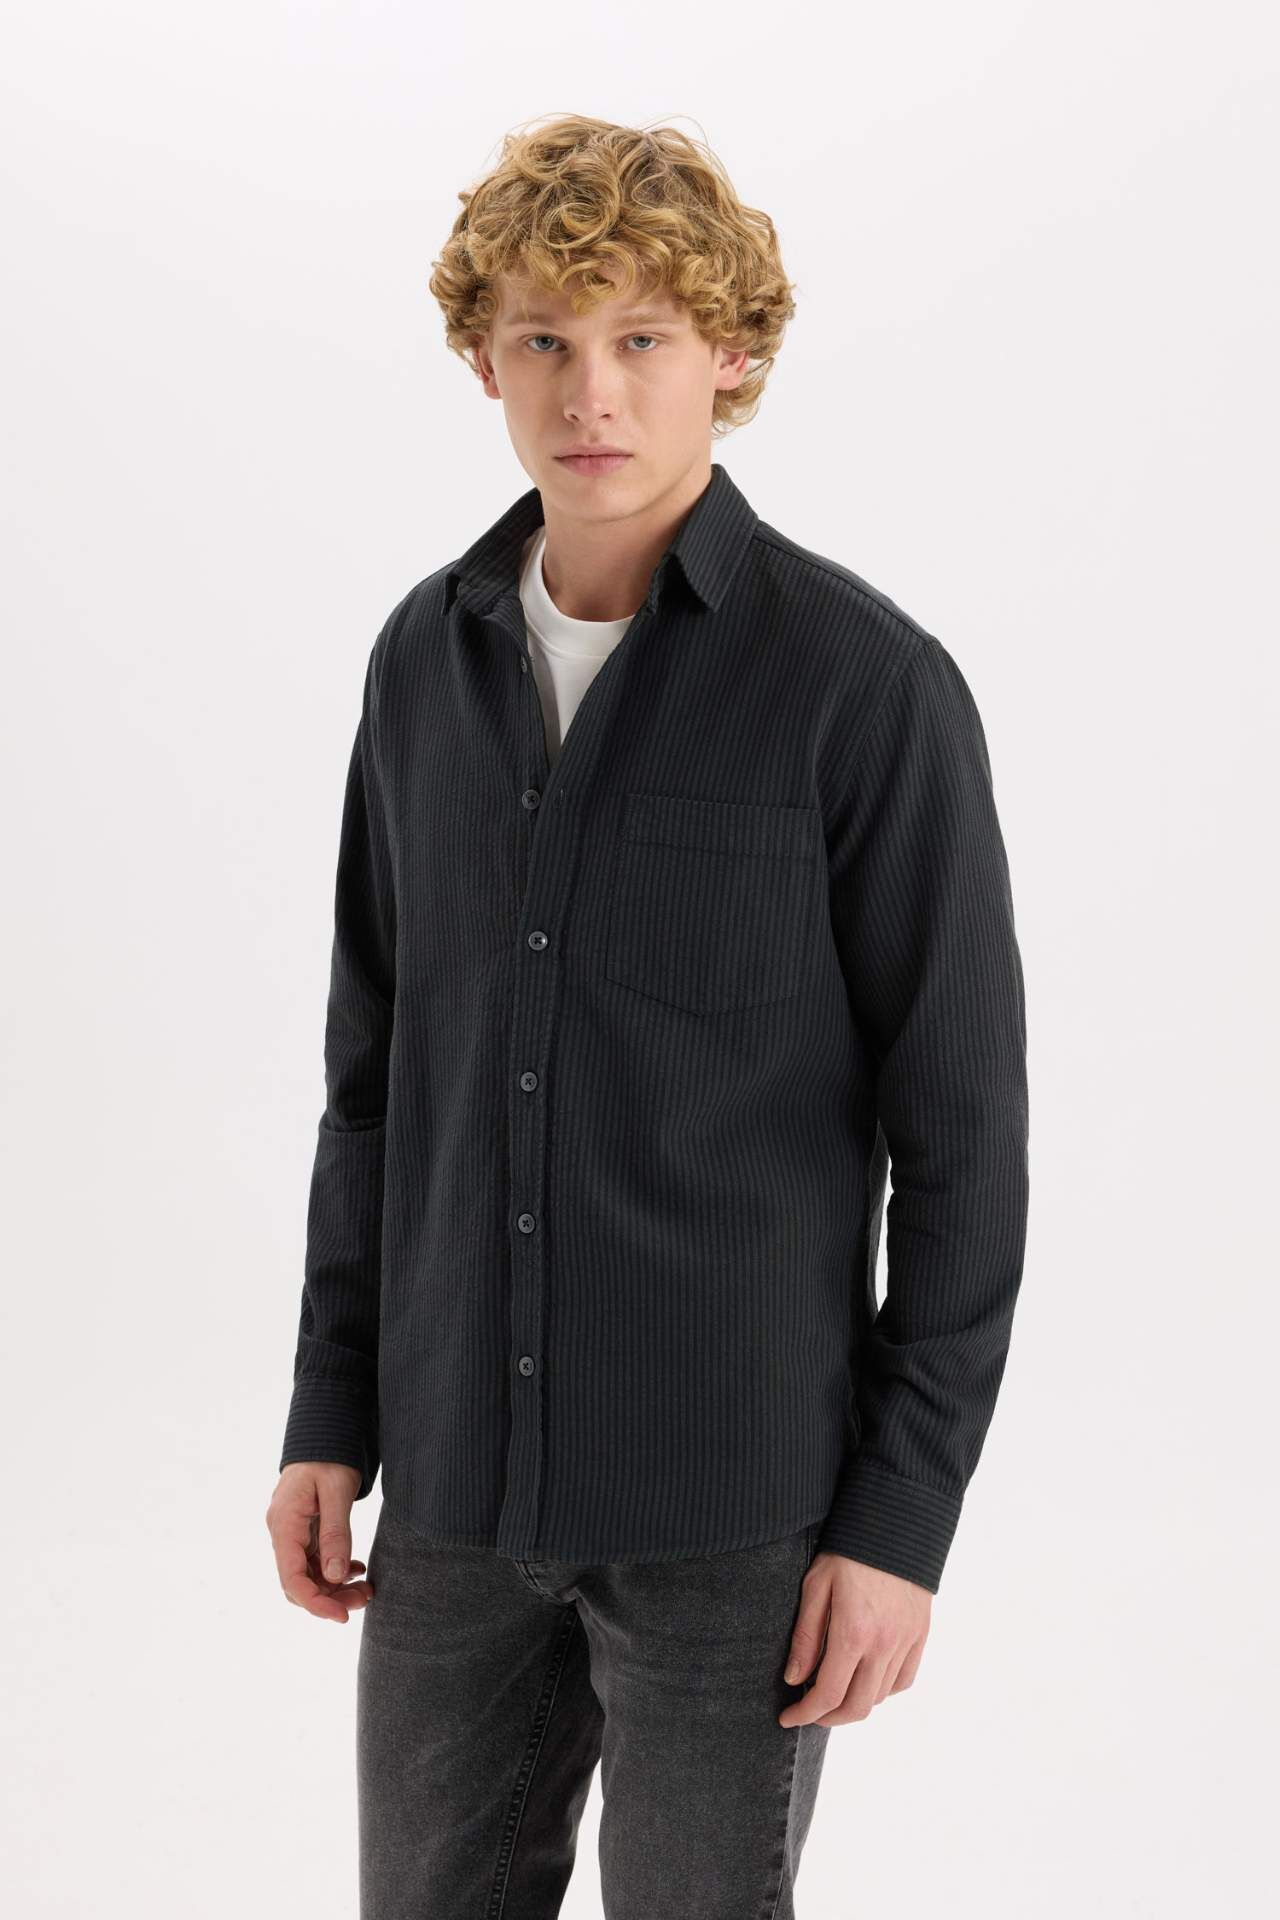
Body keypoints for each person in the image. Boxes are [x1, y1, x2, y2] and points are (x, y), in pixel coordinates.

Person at [265, 113, 1030, 1919]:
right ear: (484, 361)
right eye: (543, 337)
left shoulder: (864, 689)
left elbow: (965, 1146)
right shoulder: (421, 662)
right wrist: (329, 1409)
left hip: (733, 1520)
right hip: (454, 1496)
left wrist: (899, 1524)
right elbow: (374, 1082)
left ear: (732, 357)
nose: (589, 391)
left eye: (642, 337)